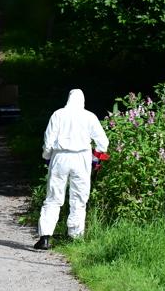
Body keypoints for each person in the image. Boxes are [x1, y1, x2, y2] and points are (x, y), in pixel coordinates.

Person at [34, 88, 109, 250]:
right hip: (82, 157)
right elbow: (103, 142)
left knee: (53, 197)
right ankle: (74, 236)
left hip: (60, 157)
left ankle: (45, 237)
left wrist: (47, 157)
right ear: (82, 101)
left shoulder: (58, 114)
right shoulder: (89, 117)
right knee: (79, 198)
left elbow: (48, 141)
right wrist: (96, 158)